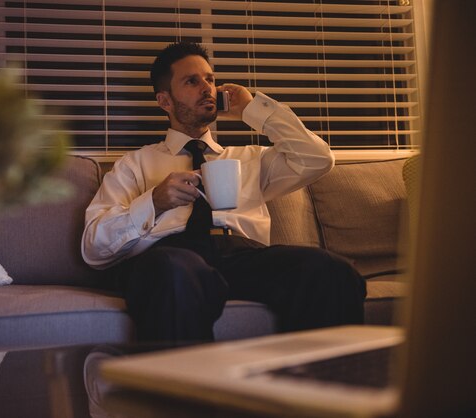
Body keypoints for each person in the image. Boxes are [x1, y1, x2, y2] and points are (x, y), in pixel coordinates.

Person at [81, 42, 366, 342]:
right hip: (171, 256)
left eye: (210, 79)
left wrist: (252, 109)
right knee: (173, 270)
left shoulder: (250, 158)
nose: (207, 88)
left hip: (243, 257)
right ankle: (186, 387)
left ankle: (321, 385)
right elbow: (93, 249)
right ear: (165, 101)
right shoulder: (135, 163)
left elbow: (318, 158)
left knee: (331, 270)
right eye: (192, 81)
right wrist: (154, 202)